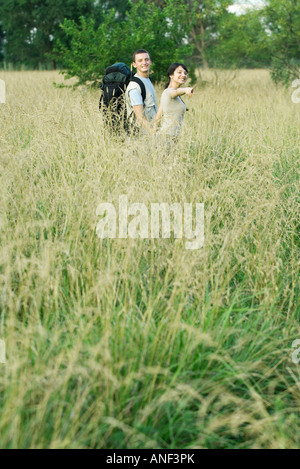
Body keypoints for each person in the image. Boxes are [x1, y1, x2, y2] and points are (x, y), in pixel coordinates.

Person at [156, 63, 194, 140]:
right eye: (179, 72)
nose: (183, 75)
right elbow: (175, 92)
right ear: (171, 75)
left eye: (185, 73)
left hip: (171, 137)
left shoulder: (172, 94)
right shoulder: (168, 92)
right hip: (166, 136)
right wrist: (186, 89)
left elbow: (158, 117)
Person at [126, 50, 158, 134]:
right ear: (134, 64)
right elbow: (139, 117)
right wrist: (153, 133)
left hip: (150, 135)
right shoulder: (134, 86)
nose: (144, 63)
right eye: (140, 61)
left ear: (150, 62)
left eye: (146, 59)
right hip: (141, 137)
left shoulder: (147, 80)